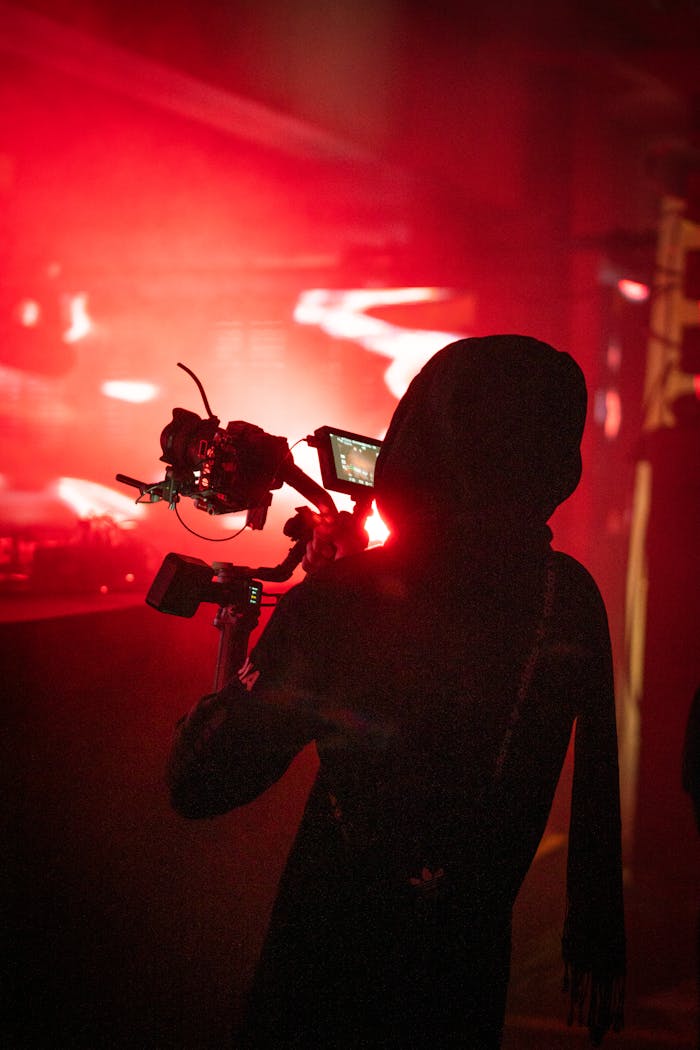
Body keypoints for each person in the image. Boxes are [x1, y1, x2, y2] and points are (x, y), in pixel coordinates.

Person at [167, 335, 626, 1048]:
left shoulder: (342, 603)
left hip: (324, 982)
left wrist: (299, 619)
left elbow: (203, 782)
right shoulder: (570, 598)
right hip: (461, 984)